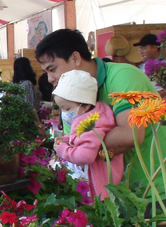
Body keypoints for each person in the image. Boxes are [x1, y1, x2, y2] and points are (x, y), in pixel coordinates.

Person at [36, 29, 166, 194]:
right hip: (114, 195)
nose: (50, 79)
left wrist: (82, 147)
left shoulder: (124, 76)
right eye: (46, 72)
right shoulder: (69, 95)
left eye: (53, 69)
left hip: (156, 189)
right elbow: (73, 143)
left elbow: (130, 135)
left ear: (75, 58)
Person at [52, 70, 124, 200]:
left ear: (85, 105)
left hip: (99, 191)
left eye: (67, 109)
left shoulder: (90, 124)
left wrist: (63, 150)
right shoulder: (95, 115)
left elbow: (85, 155)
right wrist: (67, 139)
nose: (64, 113)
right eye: (61, 108)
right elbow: (84, 139)